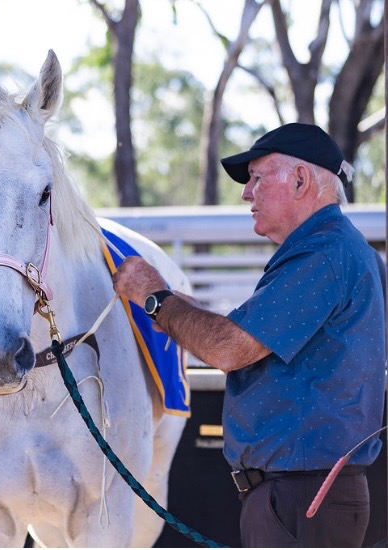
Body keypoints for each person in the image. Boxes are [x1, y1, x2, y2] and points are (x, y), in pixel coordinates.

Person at [112, 123, 386, 547]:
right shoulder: (340, 250)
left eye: (258, 178)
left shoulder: (324, 254)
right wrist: (175, 305)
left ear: (300, 180)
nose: (246, 193)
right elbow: (245, 337)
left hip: (302, 500)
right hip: (304, 497)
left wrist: (154, 298)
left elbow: (229, 347)